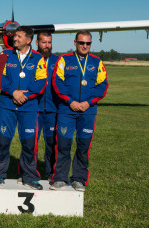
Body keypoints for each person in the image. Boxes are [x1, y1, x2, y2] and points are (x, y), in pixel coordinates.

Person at [0, 26, 47, 190]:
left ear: (28, 40)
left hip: (28, 107)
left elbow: (41, 81)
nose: (15, 38)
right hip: (6, 105)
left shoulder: (38, 58)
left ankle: (29, 177)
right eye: (15, 36)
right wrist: (13, 92)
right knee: (2, 141)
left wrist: (25, 96)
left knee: (29, 143)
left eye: (19, 36)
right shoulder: (5, 55)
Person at [50, 30, 108, 192]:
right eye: (81, 43)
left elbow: (102, 86)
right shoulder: (64, 60)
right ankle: (60, 178)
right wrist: (71, 101)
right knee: (63, 144)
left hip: (87, 112)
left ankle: (79, 179)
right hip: (67, 110)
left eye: (88, 43)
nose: (84, 46)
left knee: (83, 146)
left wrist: (88, 103)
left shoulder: (97, 62)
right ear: (75, 43)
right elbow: (57, 82)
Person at [35, 31, 59, 182]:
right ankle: (28, 172)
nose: (47, 45)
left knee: (51, 143)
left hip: (52, 110)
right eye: (44, 42)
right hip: (34, 109)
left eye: (49, 42)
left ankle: (51, 173)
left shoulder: (58, 60)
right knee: (31, 142)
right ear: (37, 43)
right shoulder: (31, 58)